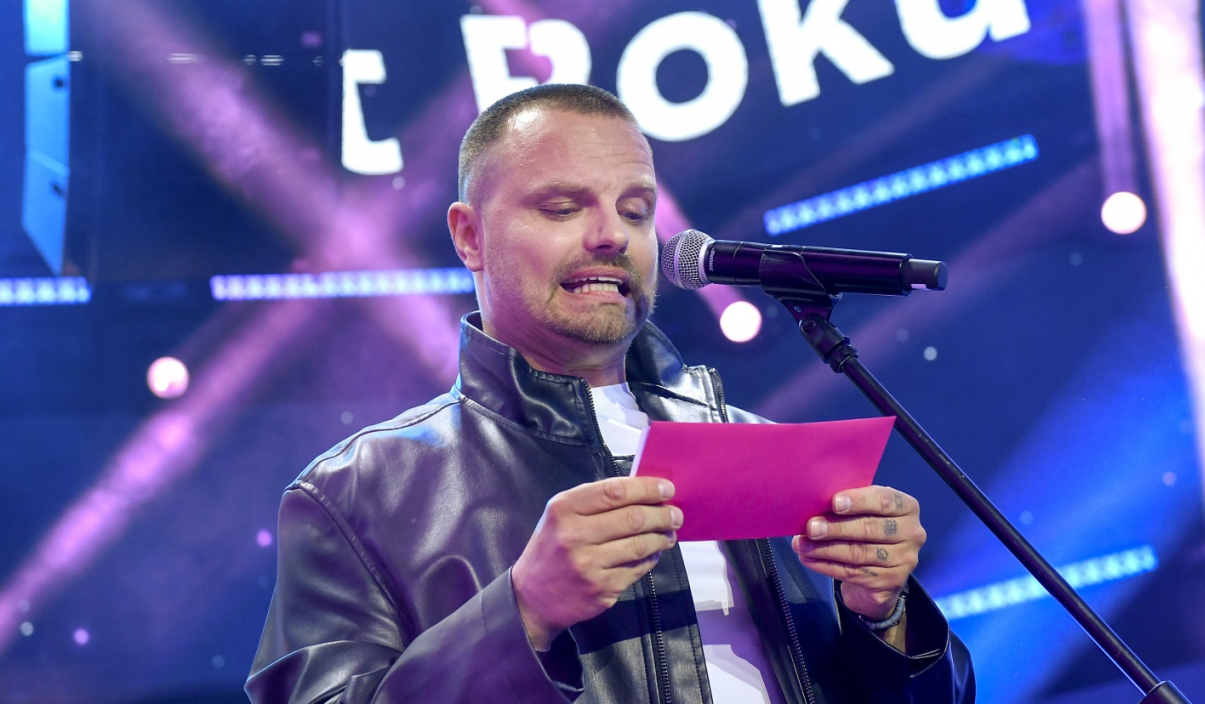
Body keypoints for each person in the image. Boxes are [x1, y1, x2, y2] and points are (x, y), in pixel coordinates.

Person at [246, 83, 973, 703]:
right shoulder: (354, 492)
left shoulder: (761, 447)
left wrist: (885, 617)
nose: (611, 236)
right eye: (562, 207)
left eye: (635, 209)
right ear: (470, 237)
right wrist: (522, 612)